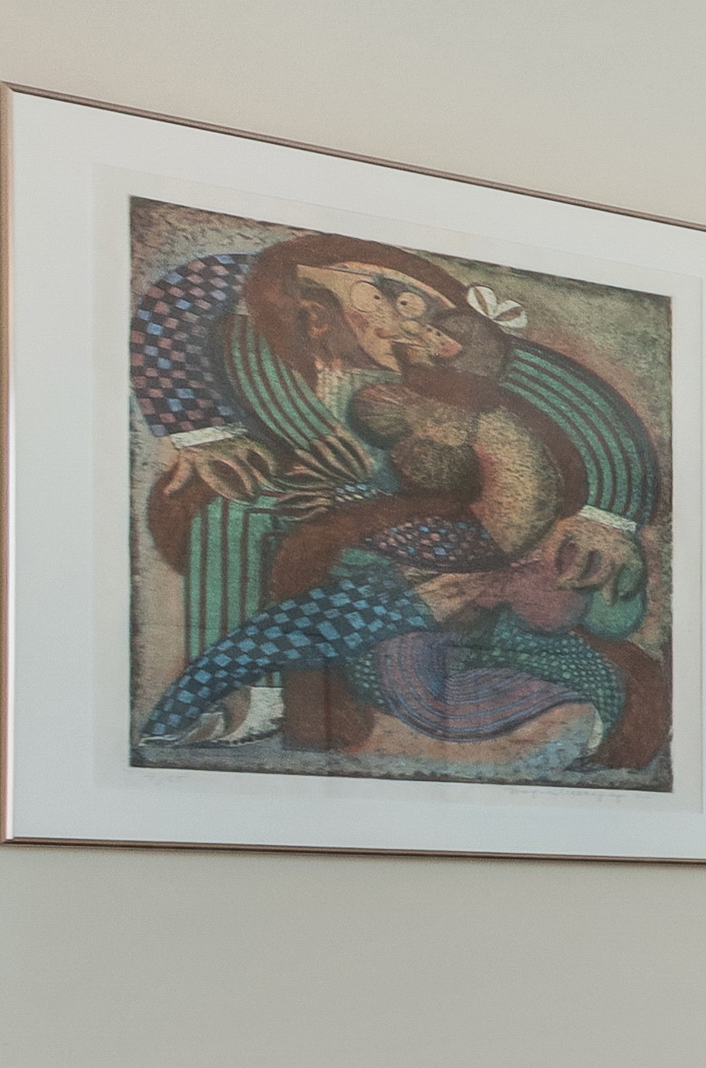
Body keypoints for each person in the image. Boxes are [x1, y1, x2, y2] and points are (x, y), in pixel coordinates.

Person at [130, 231, 668, 776]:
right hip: (409, 558)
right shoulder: (269, 322)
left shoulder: (457, 356)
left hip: (466, 555)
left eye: (416, 316)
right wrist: (198, 429)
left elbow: (582, 409)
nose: (410, 332)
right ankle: (247, 698)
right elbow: (179, 303)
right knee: (247, 533)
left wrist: (610, 517)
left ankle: (599, 694)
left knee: (415, 686)